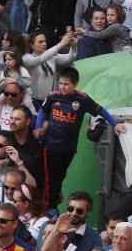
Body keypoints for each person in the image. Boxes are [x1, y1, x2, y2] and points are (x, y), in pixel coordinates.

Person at [35, 67, 126, 207]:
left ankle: (54, 198)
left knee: (60, 176)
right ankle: (50, 207)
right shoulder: (53, 96)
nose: (62, 87)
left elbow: (100, 110)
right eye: (60, 83)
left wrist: (115, 124)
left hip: (68, 148)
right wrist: (38, 127)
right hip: (50, 145)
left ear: (75, 84)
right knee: (49, 178)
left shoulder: (82, 99)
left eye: (66, 84)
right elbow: (42, 111)